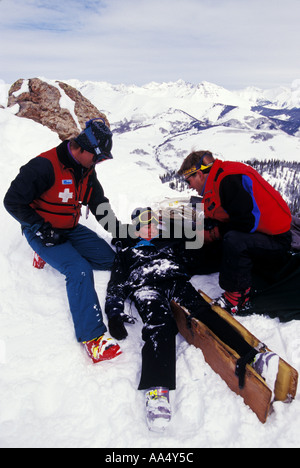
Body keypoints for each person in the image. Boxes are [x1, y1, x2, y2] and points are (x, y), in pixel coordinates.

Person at [105, 207, 280, 432]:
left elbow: (198, 258)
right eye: (142, 225)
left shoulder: (169, 242)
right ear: (135, 230)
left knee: (204, 313)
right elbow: (116, 285)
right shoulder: (126, 252)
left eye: (152, 224)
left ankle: (253, 357)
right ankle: (157, 390)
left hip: (176, 280)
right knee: (160, 326)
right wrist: (114, 313)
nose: (148, 229)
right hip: (146, 287)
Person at [3, 118, 128, 363]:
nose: (99, 162)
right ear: (82, 148)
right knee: (78, 270)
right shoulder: (43, 166)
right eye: (98, 157)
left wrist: (119, 230)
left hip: (70, 228)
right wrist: (40, 228)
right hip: (43, 231)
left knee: (109, 260)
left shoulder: (87, 171)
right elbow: (12, 201)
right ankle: (93, 338)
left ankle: (56, 254)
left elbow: (98, 204)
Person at [178, 151, 292, 314]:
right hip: (259, 233)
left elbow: (246, 222)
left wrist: (213, 234)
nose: (189, 186)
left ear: (199, 174)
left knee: (233, 240)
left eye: (189, 181)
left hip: (276, 241)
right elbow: (224, 213)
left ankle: (236, 297)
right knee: (218, 236)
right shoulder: (218, 178)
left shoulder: (229, 179)